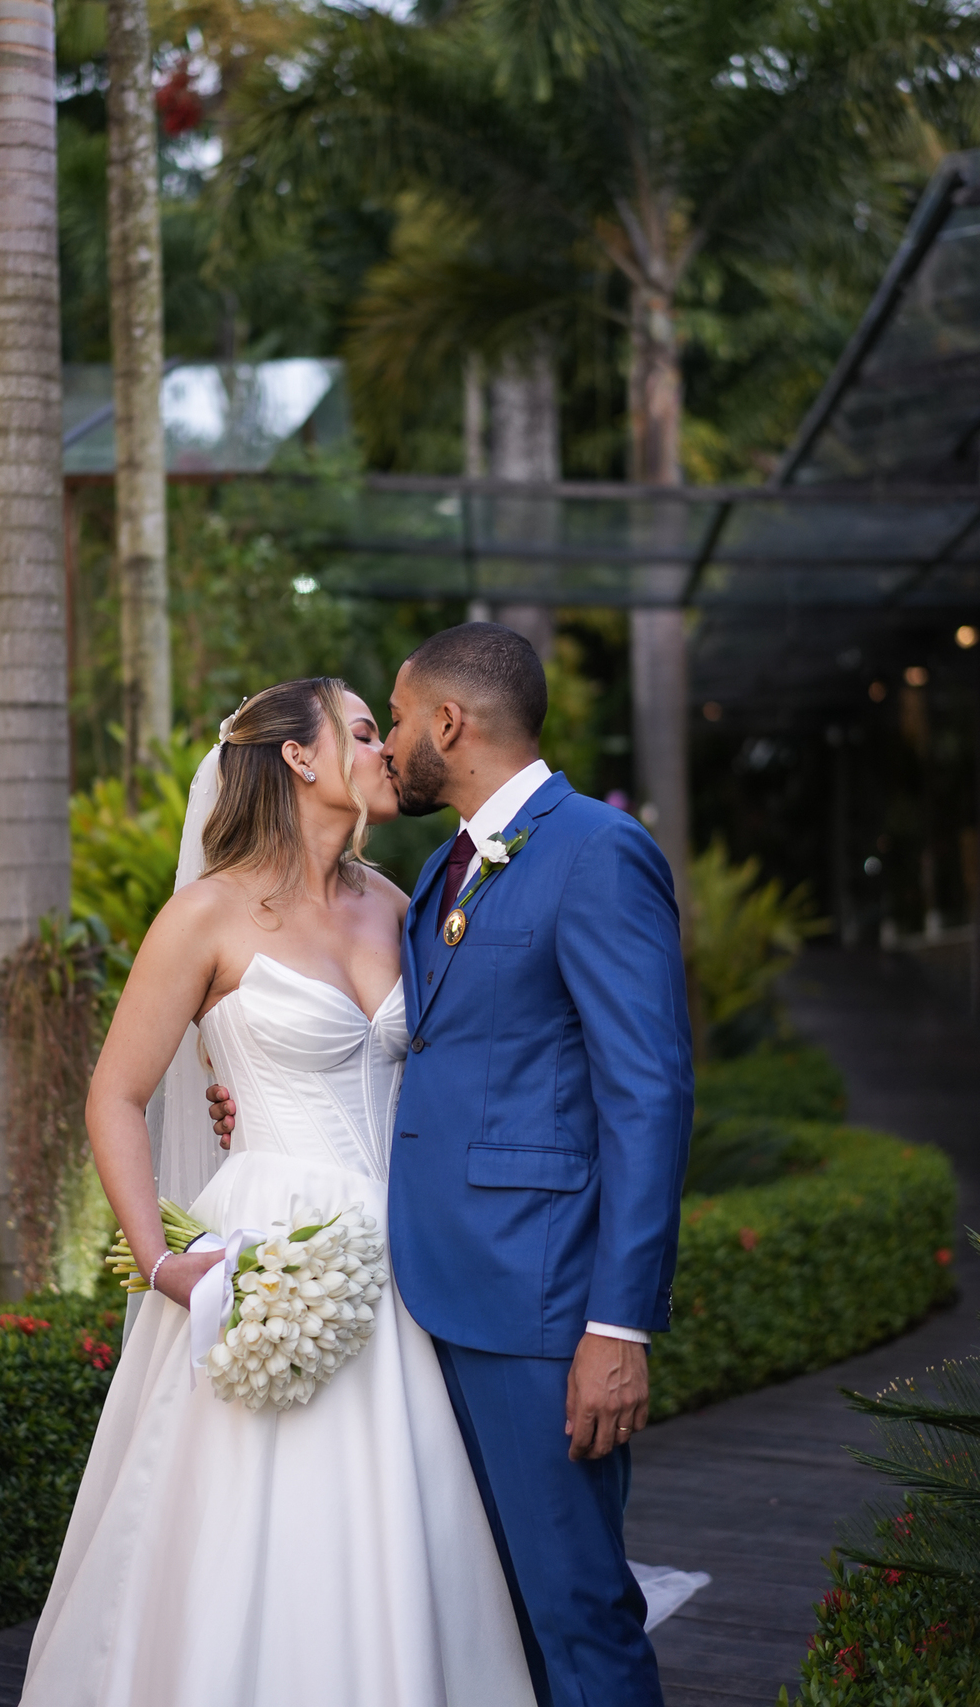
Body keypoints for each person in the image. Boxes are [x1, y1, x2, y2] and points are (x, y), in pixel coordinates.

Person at [19, 677, 537, 1707]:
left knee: (402, 1518)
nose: (386, 749)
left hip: (408, 1255)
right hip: (263, 1257)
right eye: (364, 730)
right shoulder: (205, 915)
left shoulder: (402, 904)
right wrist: (163, 1263)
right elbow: (115, 1096)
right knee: (251, 1527)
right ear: (299, 757)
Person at [211, 624, 694, 1707]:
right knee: (492, 1621)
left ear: (448, 722)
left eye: (394, 719)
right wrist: (248, 1084)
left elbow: (649, 1094)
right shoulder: (441, 871)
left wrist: (618, 1327)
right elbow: (420, 1053)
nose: (386, 748)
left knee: (576, 1610)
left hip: (537, 1306)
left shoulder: (596, 851)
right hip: (426, 1300)